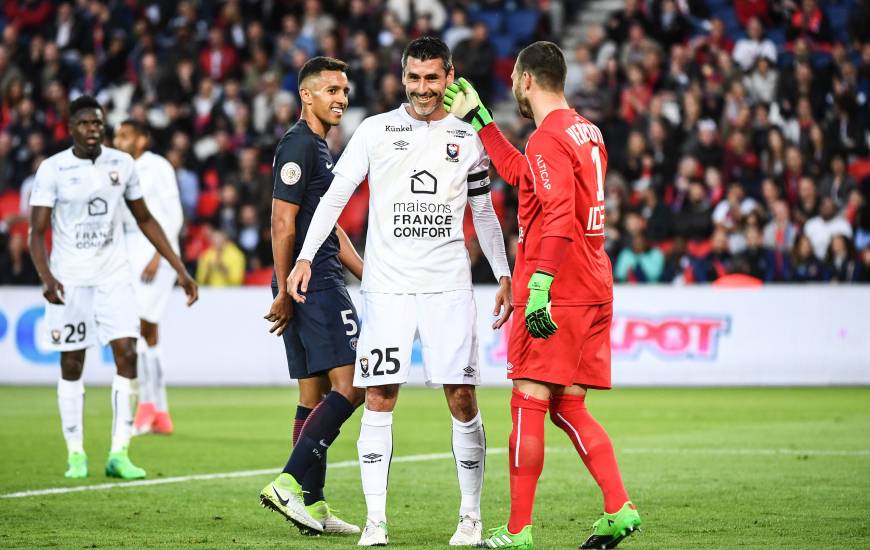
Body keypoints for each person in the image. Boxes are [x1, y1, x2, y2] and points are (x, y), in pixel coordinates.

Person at [287, 37, 512, 546]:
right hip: (386, 288)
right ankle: (376, 521)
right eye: (414, 78)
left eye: (433, 78)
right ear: (402, 76)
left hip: (448, 287)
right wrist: (305, 257)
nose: (423, 88)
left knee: (461, 397)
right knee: (380, 396)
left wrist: (503, 273)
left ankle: (470, 517)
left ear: (449, 77)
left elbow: (484, 214)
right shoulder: (375, 130)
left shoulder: (469, 136)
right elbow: (334, 197)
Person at [444, 41, 642, 549]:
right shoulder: (585, 130)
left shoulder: (548, 139)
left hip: (560, 287)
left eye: (514, 76)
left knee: (527, 402)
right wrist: (482, 122)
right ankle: (619, 508)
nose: (512, 83)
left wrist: (538, 289)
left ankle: (517, 531)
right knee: (569, 406)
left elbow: (555, 217)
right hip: (594, 282)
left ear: (527, 79)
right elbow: (525, 179)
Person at [28, 95, 197, 480]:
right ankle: (75, 453)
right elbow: (36, 232)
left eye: (98, 123)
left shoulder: (121, 165)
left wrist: (179, 268)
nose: (94, 129)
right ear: (71, 128)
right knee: (72, 363)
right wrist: (47, 277)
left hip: (113, 277)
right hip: (70, 281)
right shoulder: (52, 169)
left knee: (127, 353)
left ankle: (119, 451)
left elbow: (147, 219)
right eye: (85, 123)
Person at [257, 56, 364, 537]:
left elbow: (330, 227)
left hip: (308, 280)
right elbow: (281, 222)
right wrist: (284, 288)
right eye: (331, 90)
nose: (341, 98)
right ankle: (287, 483)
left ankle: (314, 506)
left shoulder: (318, 148)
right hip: (313, 283)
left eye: (344, 90)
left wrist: (370, 274)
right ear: (307, 95)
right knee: (354, 386)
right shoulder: (300, 145)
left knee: (312, 395)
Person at [113, 119, 184, 436]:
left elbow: (174, 216)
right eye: (117, 135)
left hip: (157, 252)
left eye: (125, 135)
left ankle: (145, 409)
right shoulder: (116, 167)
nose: (119, 140)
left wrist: (159, 256)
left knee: (139, 327)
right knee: (148, 334)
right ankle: (159, 412)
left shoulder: (158, 167)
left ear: (142, 140)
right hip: (129, 252)